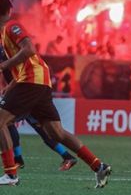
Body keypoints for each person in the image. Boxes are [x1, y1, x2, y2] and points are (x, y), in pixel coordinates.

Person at [0, 0, 111, 187]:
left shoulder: (11, 27)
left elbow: (29, 50)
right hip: (38, 81)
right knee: (57, 133)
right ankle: (99, 166)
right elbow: (25, 64)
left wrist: (3, 66)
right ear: (9, 10)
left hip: (32, 80)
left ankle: (11, 174)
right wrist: (10, 86)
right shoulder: (4, 32)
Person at [0, 43, 77, 171]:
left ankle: (17, 160)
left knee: (7, 123)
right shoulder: (11, 58)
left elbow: (20, 76)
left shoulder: (9, 58)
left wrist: (9, 88)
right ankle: (67, 156)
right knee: (43, 130)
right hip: (23, 94)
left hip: (25, 95)